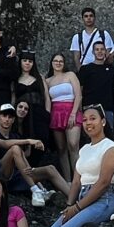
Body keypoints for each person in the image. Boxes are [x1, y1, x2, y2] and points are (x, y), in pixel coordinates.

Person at [50, 104, 114, 227]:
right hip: (82, 199)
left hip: (103, 199)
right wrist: (69, 205)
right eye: (84, 120)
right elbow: (76, 181)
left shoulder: (111, 147)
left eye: (93, 119)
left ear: (103, 121)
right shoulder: (84, 149)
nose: (88, 123)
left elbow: (103, 182)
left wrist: (76, 208)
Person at [43, 51, 83, 184]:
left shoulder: (70, 75)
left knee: (73, 145)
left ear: (64, 63)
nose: (58, 63)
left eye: (61, 61)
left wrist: (73, 113)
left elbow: (78, 95)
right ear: (52, 63)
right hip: (56, 113)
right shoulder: (47, 80)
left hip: (71, 110)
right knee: (61, 149)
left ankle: (79, 179)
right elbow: (47, 100)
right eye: (56, 61)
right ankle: (67, 181)